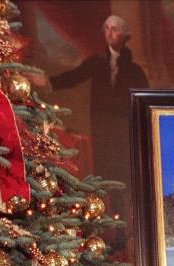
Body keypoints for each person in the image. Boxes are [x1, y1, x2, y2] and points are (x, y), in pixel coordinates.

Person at [50, 15, 150, 184]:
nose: (109, 33)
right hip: (102, 127)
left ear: (125, 36)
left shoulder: (135, 71)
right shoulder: (96, 62)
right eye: (107, 28)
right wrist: (48, 82)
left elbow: (144, 102)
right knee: (105, 171)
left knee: (124, 171)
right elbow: (74, 76)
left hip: (124, 129)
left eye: (115, 29)